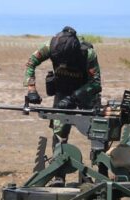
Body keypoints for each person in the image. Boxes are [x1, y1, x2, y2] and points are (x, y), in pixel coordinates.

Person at [23, 26, 102, 186]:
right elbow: (31, 62)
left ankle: (102, 173)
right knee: (59, 134)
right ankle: (59, 175)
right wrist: (31, 89)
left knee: (99, 133)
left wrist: (74, 97)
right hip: (62, 91)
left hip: (85, 93)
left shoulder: (88, 54)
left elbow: (96, 83)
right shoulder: (50, 46)